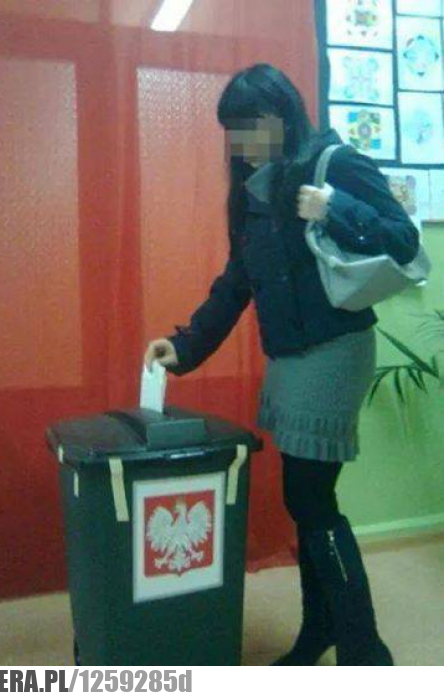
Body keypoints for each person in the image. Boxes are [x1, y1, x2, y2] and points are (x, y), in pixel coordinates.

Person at [144, 63, 419, 666]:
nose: (240, 143)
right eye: (232, 131)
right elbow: (237, 282)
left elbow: (403, 238)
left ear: (280, 116)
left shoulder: (334, 164)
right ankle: (319, 630)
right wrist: (185, 345)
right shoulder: (252, 191)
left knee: (311, 498)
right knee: (305, 502)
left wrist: (334, 208)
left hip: (336, 351)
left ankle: (365, 650)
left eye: (250, 126)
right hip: (290, 358)